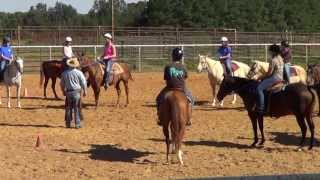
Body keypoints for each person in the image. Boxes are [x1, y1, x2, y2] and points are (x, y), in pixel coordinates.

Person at [156, 47, 194, 126]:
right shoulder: (183, 66)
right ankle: (189, 118)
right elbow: (185, 77)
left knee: (158, 99)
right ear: (181, 57)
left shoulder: (168, 66)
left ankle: (160, 117)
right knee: (191, 99)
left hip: (169, 88)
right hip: (182, 88)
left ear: (172, 56)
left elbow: (166, 78)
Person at [256, 44, 284, 115]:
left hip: (275, 78)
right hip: (281, 77)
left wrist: (260, 77)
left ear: (274, 52)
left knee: (259, 88)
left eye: (270, 51)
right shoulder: (280, 58)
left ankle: (261, 108)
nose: (270, 53)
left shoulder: (273, 60)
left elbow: (269, 73)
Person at [60, 58, 87, 129]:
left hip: (68, 92)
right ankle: (77, 124)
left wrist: (63, 91)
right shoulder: (79, 73)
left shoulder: (64, 73)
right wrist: (85, 91)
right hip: (77, 92)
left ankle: (68, 123)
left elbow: (62, 84)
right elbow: (83, 82)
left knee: (68, 108)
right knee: (77, 108)